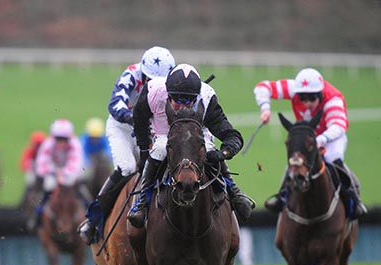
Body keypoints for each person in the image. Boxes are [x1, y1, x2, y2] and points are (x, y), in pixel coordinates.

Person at [127, 63, 255, 227]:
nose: (182, 106)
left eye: (189, 101)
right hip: (164, 135)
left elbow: (231, 135)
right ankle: (142, 202)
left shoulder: (207, 98)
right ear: (168, 95)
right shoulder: (153, 92)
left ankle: (234, 191)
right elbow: (139, 120)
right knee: (159, 149)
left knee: (209, 149)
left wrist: (223, 153)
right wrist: (145, 149)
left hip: (196, 136)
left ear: (196, 97)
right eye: (177, 100)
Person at [78, 46, 175, 244]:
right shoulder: (131, 74)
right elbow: (115, 104)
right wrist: (134, 119)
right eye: (150, 79)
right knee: (127, 167)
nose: (154, 84)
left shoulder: (173, 82)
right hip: (122, 128)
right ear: (144, 73)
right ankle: (93, 220)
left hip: (151, 130)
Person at [254, 68, 366, 218]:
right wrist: (265, 109)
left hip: (331, 137)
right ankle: (282, 196)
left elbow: (338, 126)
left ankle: (353, 196)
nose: (307, 103)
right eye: (303, 98)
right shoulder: (294, 88)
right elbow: (263, 87)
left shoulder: (333, 99)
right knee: (294, 162)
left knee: (333, 158)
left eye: (312, 99)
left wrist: (320, 141)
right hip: (308, 138)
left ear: (320, 94)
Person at [31, 119, 87, 229]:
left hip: (70, 173)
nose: (61, 142)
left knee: (82, 189)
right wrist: (54, 172)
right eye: (58, 139)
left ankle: (88, 211)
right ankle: (37, 215)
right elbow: (41, 165)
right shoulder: (47, 144)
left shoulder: (75, 144)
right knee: (48, 186)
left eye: (64, 139)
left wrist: (64, 173)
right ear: (53, 137)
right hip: (52, 173)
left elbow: (76, 165)